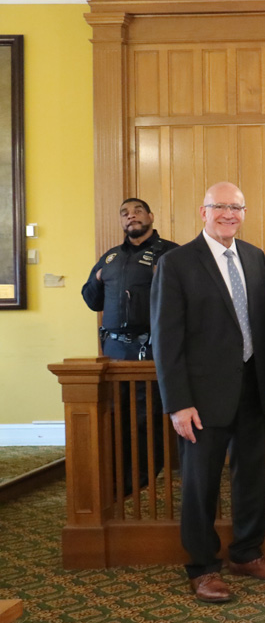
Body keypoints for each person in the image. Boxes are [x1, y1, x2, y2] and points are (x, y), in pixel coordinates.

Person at [150, 182, 265, 603]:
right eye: (220, 206)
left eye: (236, 207)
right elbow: (166, 340)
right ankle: (202, 568)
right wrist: (178, 403)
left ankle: (246, 553)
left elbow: (264, 324)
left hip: (252, 388)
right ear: (203, 211)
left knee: (253, 477)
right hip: (201, 396)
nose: (229, 214)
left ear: (244, 213)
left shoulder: (254, 257)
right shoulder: (176, 263)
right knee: (200, 484)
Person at [81, 197, 178, 495]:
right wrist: (97, 279)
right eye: (125, 213)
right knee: (115, 416)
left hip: (151, 350)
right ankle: (118, 482)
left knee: (146, 417)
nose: (131, 216)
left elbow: (188, 300)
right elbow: (91, 301)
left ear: (151, 216)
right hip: (114, 352)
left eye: (137, 211)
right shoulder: (110, 258)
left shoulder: (171, 253)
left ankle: (142, 479)